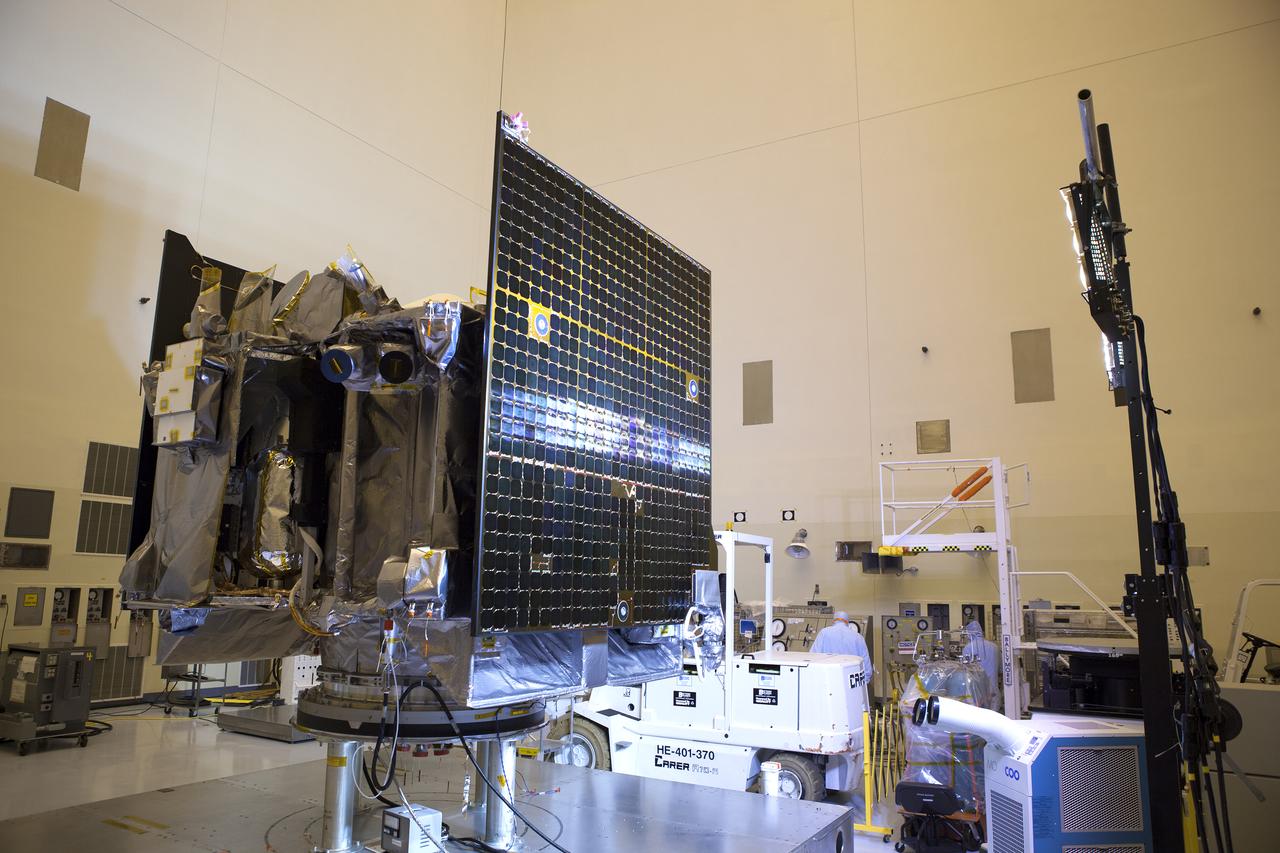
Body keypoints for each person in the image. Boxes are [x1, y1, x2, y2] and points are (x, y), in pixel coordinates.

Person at [810, 611, 873, 686]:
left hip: (827, 681)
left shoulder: (824, 633)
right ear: (848, 622)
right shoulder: (858, 637)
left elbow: (812, 657)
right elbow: (867, 667)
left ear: (833, 621)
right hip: (850, 682)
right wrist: (862, 684)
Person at [961, 620, 1001, 708]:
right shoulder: (995, 647)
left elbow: (965, 672)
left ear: (969, 633)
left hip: (977, 693)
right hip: (994, 693)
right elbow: (1001, 669)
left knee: (977, 719)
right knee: (993, 718)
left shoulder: (968, 648)